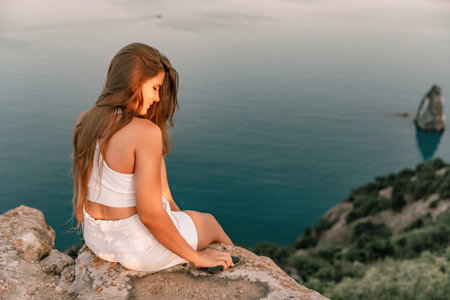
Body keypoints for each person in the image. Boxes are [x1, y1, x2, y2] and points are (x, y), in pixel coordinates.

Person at [71, 42, 235, 272]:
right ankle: (238, 270)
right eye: (155, 88)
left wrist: (179, 221)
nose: (158, 98)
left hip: (97, 239)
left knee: (181, 217)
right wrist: (196, 257)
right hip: (138, 248)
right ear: (135, 82)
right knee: (210, 223)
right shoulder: (145, 133)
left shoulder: (85, 121)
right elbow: (149, 215)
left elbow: (161, 196)